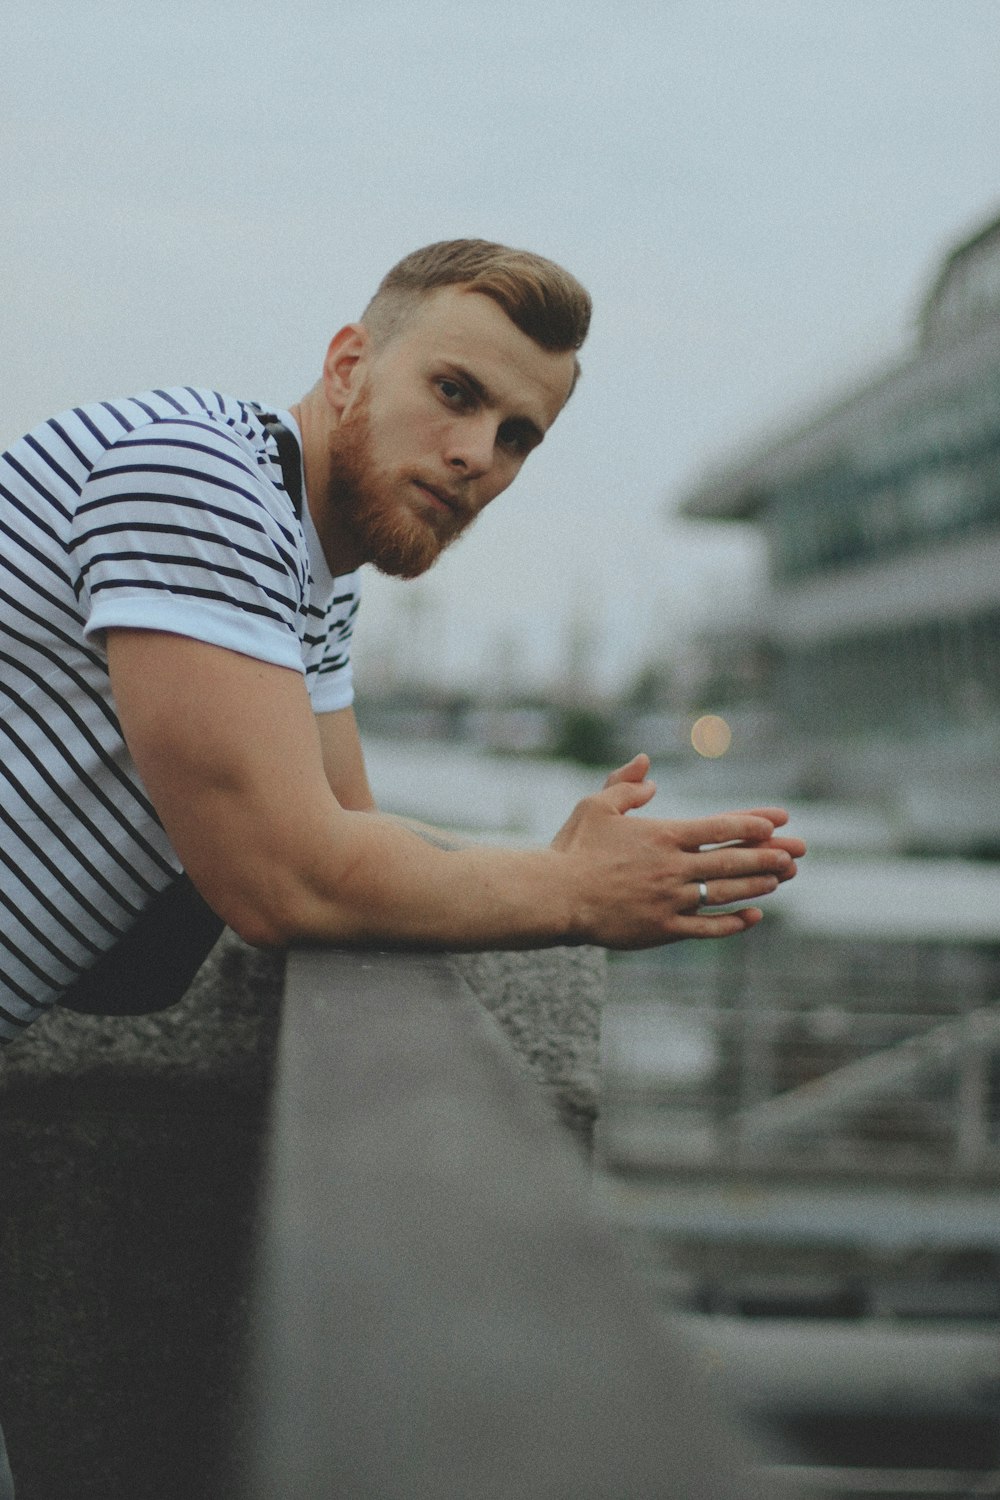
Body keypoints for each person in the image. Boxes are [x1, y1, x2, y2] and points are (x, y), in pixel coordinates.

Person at [0, 238, 804, 1046]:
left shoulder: (315, 564)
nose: (475, 455)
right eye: (454, 392)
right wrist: (575, 893)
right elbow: (290, 879)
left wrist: (558, 857)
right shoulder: (202, 479)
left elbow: (349, 825)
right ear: (350, 366)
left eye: (517, 436)